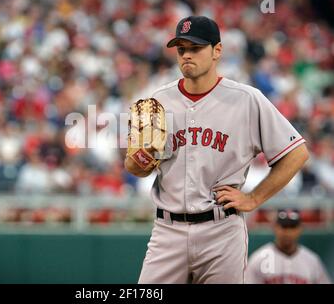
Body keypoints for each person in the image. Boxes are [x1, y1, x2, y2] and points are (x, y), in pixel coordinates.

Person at [124, 15, 309, 284]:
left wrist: (254, 198)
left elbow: (297, 153)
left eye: (196, 48)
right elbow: (134, 168)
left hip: (221, 231)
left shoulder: (246, 100)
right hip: (168, 230)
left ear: (217, 51)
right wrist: (144, 156)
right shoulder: (158, 101)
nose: (187, 55)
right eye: (181, 49)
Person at [245, 209, 331, 284]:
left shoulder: (312, 260)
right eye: (284, 226)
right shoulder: (258, 259)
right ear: (275, 227)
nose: (288, 232)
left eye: (292, 227)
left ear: (300, 229)